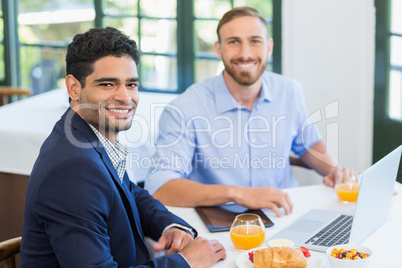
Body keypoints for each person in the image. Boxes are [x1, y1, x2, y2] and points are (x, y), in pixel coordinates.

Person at [20, 27, 226, 268]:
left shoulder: (85, 133)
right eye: (107, 84)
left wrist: (169, 225)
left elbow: (127, 191)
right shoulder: (74, 168)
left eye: (131, 84)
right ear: (74, 88)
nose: (125, 97)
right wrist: (186, 262)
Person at [144, 7, 347, 217]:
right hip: (222, 224)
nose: (245, 53)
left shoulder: (289, 91)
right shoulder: (184, 108)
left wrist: (335, 172)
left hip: (284, 214)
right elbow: (160, 188)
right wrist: (237, 194)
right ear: (219, 49)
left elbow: (309, 144)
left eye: (255, 41)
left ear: (268, 47)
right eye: (233, 42)